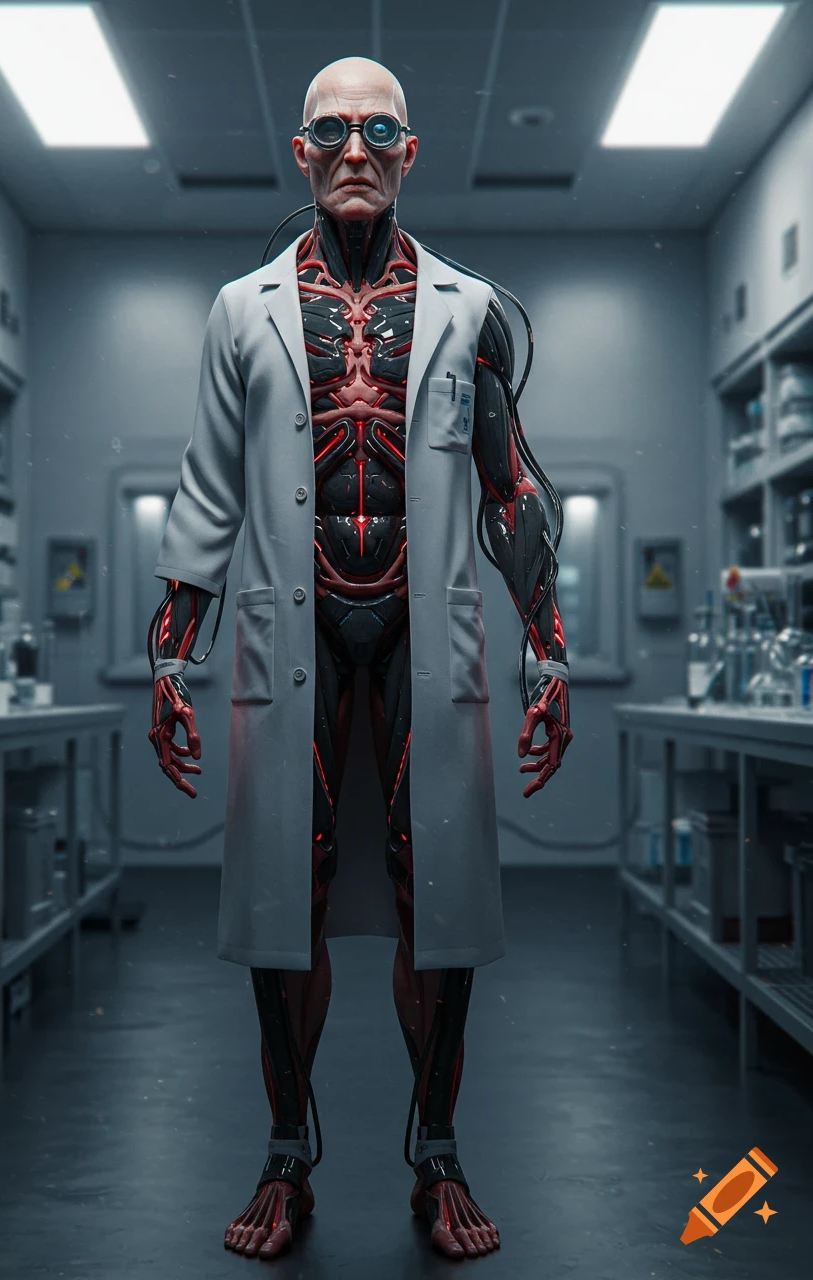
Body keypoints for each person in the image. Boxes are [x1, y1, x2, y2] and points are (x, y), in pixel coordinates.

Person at [148, 56, 572, 1261]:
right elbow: (206, 496)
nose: (352, 149)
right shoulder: (239, 310)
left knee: (438, 903)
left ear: (408, 153)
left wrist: (547, 655)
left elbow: (510, 491)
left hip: (423, 636)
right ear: (299, 151)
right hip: (293, 635)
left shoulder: (469, 309)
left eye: (377, 130)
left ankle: (436, 1156)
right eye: (329, 130)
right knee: (284, 905)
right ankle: (288, 1157)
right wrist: (169, 660)